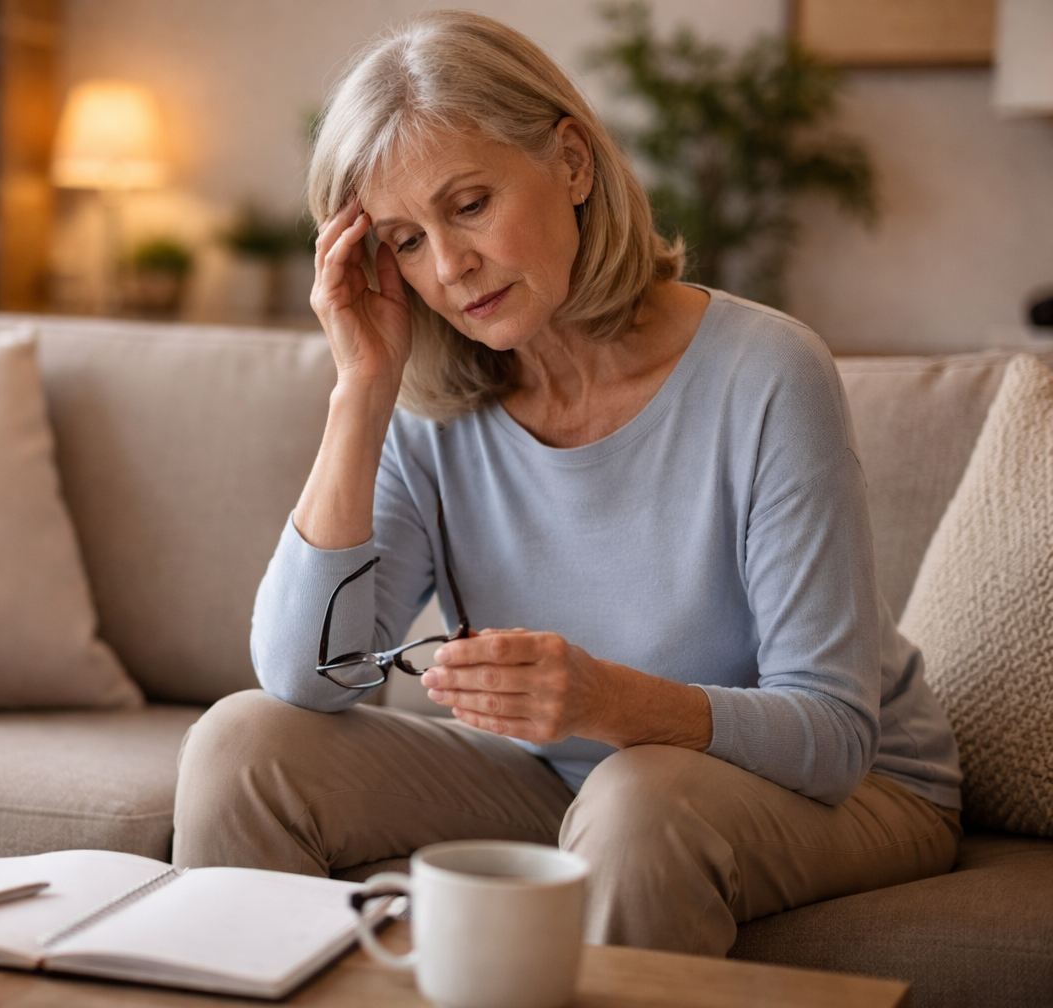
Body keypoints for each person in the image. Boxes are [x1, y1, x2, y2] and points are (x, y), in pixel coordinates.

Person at [170, 10, 962, 956]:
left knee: (638, 798)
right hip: (568, 777)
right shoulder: (432, 405)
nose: (451, 266)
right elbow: (312, 678)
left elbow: (832, 733)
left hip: (853, 784)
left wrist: (607, 702)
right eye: (406, 241)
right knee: (241, 746)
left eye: (469, 205)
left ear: (574, 163)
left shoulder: (768, 372)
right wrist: (362, 390)